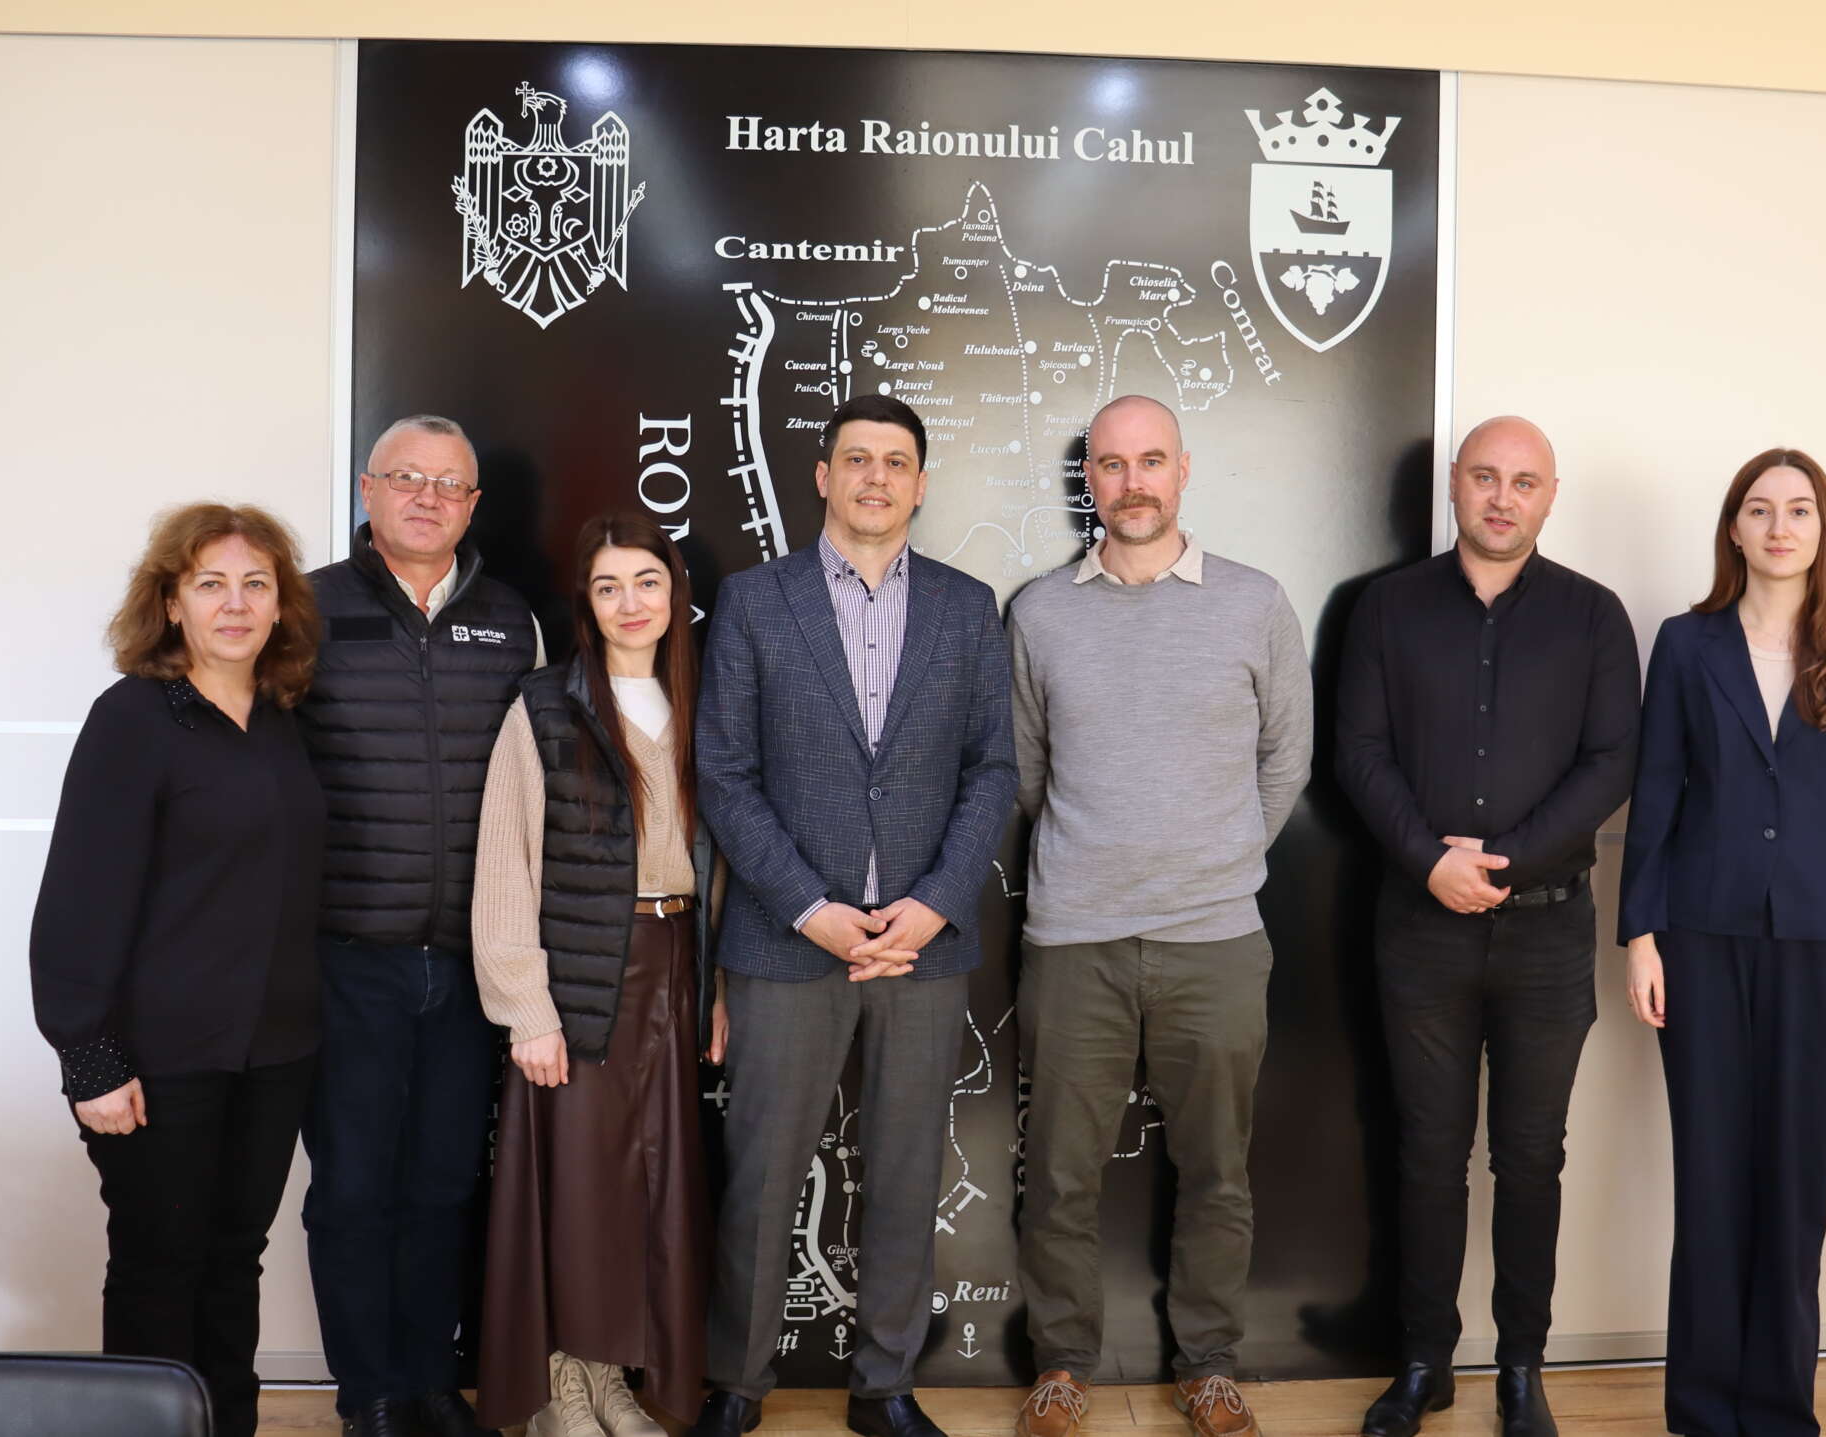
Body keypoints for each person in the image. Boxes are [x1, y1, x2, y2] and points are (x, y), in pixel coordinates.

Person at [693, 393, 1019, 1437]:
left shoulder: (968, 608)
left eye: (896, 462)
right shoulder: (754, 602)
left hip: (922, 947)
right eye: (857, 459)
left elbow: (993, 771)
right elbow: (725, 775)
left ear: (920, 485)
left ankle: (884, 1386)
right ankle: (737, 1383)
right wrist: (809, 909)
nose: (876, 477)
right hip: (785, 941)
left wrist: (934, 904)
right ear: (823, 476)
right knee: (760, 1176)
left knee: (910, 1170)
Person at [1006, 396, 1315, 1437]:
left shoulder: (1254, 603)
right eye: (1111, 464)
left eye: (1150, 461)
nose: (1131, 482)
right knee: (1059, 1174)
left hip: (1216, 939)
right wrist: (1104, 855)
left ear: (1183, 470)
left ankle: (1210, 1365)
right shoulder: (1039, 613)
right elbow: (1027, 773)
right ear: (1088, 479)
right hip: (1073, 939)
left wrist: (1214, 855)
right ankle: (1061, 1367)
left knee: (1217, 1169)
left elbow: (1286, 758)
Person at [1338, 416, 1641, 1437]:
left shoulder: (1594, 617)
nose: (1501, 498)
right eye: (1484, 477)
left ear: (1549, 496)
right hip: (1418, 928)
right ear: (1455, 487)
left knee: (1530, 1157)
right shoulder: (1387, 609)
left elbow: (1612, 762)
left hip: (1548, 935)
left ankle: (1521, 1368)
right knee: (1427, 1152)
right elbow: (1358, 752)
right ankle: (1424, 1362)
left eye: (1523, 481)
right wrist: (1432, 861)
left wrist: (1500, 863)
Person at [1617, 448, 1826, 1437]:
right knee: (1710, 1182)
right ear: (1734, 530)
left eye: (1799, 510)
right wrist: (1640, 934)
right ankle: (1703, 1411)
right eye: (1759, 509)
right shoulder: (1685, 643)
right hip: (1699, 943)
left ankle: (1780, 1412)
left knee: (1793, 1194)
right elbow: (1657, 792)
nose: (1780, 527)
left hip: (1822, 954)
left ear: (1823, 531)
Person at [30, 503, 326, 1437]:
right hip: (157, 1060)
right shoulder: (131, 720)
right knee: (160, 1268)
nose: (235, 604)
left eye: (255, 584)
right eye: (210, 584)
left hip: (275, 1052)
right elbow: (79, 897)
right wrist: (90, 1058)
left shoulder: (284, 719)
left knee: (234, 1262)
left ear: (279, 605)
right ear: (171, 602)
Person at [299, 414, 542, 1437]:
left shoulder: (512, 619)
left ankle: (431, 1380)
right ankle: (368, 1394)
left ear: (473, 505)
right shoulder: (307, 609)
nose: (427, 498)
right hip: (344, 958)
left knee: (444, 1184)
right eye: (407, 478)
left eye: (449, 485)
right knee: (353, 1186)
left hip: (469, 963)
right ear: (369, 489)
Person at [470, 512, 727, 1436]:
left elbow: (724, 861)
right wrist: (526, 1006)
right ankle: (560, 1386)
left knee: (650, 1191)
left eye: (646, 582)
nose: (630, 602)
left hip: (675, 964)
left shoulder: (705, 702)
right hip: (579, 972)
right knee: (576, 1188)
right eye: (609, 585)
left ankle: (614, 1376)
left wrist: (720, 986)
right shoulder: (545, 705)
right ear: (586, 599)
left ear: (674, 594)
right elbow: (505, 859)